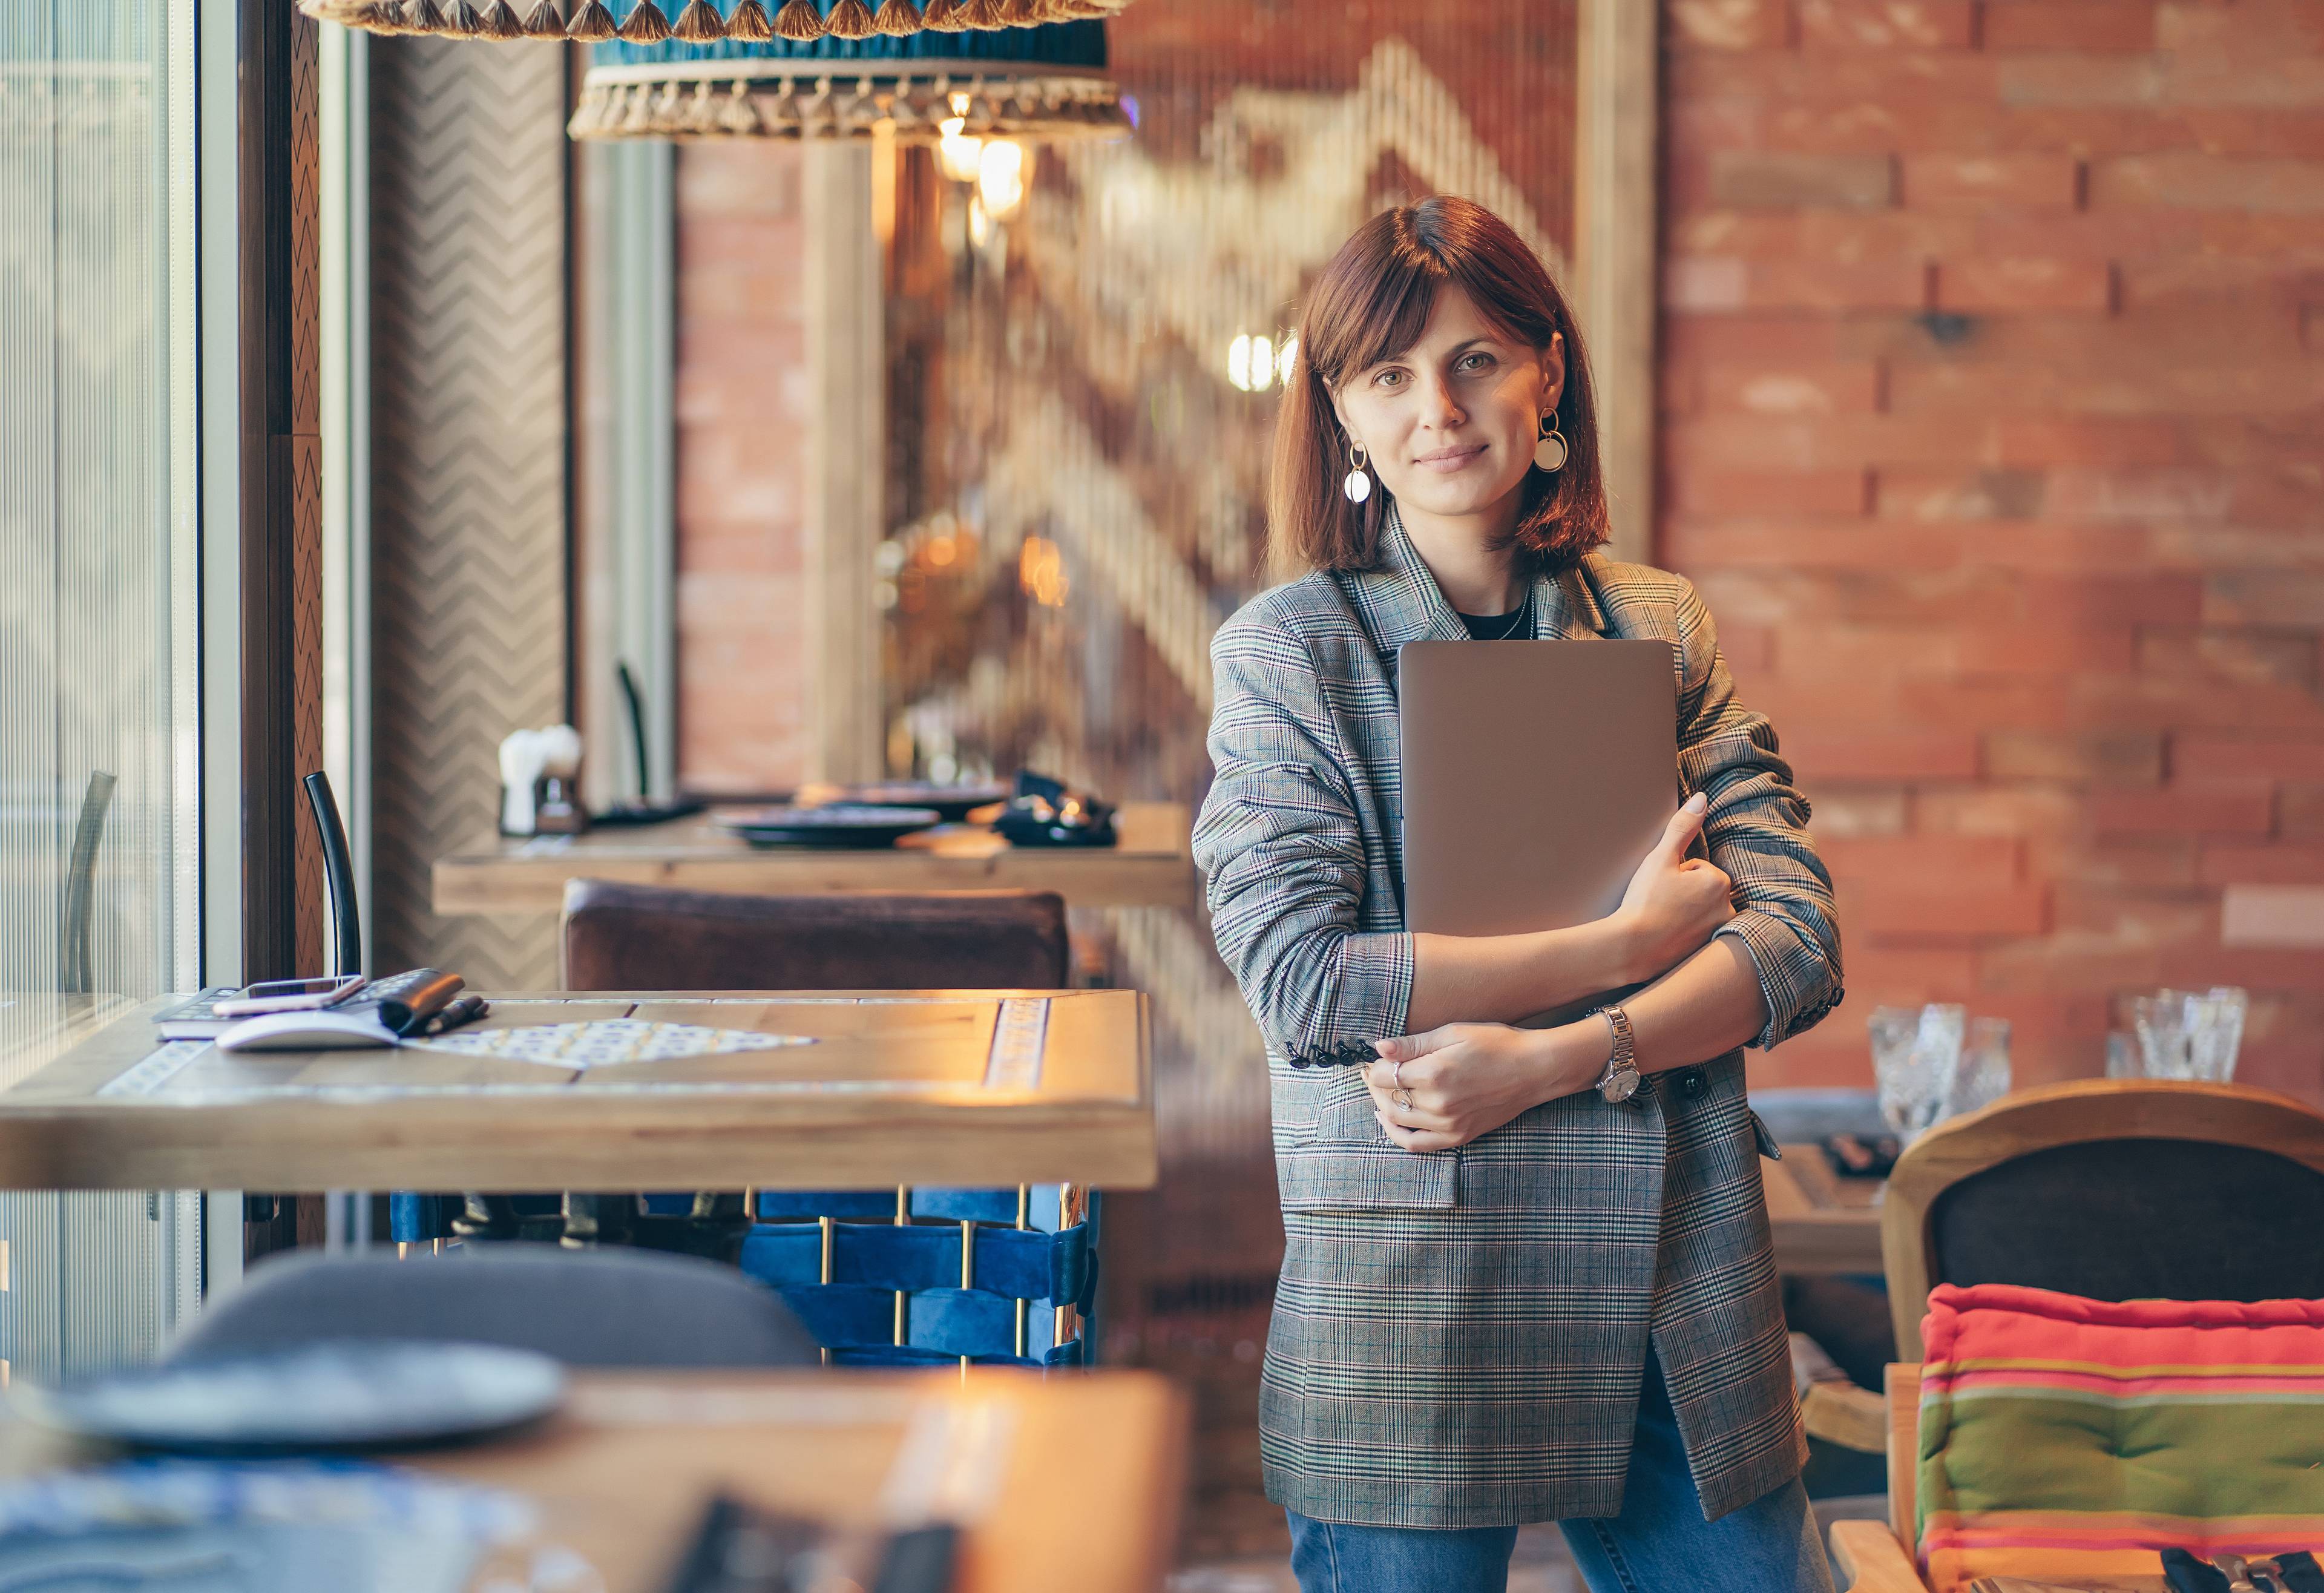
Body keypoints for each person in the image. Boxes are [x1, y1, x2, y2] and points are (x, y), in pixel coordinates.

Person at [1190, 195, 1846, 1593]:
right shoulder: (1289, 654)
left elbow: (1796, 940)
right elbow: (1305, 983)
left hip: (1677, 1282)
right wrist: (1626, 941)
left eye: (1477, 357)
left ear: (1548, 370)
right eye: (1390, 374)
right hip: (1418, 1298)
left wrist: (1558, 1055)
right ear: (1344, 418)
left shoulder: (1659, 624)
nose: (1440, 405)